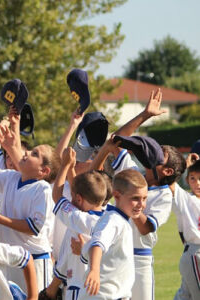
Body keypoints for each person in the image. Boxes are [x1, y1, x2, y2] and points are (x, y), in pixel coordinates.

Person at [91, 89, 186, 300]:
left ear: (167, 171)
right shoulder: (133, 173)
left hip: (139, 259)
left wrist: (131, 202)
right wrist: (145, 115)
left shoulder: (163, 195)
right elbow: (118, 140)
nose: (155, 153)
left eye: (161, 155)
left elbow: (144, 227)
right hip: (113, 255)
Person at [0, 108, 59, 292]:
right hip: (11, 258)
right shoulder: (11, 177)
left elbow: (33, 227)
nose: (27, 153)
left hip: (35, 260)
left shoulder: (42, 188)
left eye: (35, 154)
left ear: (44, 171)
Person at [42, 148, 107, 299]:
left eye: (71, 196)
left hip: (77, 288)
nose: (69, 199)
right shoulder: (110, 219)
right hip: (101, 289)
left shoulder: (79, 220)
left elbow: (57, 196)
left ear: (78, 199)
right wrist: (71, 168)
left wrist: (65, 165)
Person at [77, 169, 147, 299]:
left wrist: (84, 248)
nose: (141, 204)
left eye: (144, 198)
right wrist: (94, 270)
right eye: (135, 198)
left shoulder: (120, 220)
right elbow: (98, 245)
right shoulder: (113, 220)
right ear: (117, 196)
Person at [173, 155, 200, 299]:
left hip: (193, 255)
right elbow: (171, 184)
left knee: (185, 296)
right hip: (195, 254)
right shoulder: (186, 199)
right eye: (193, 179)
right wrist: (185, 168)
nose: (197, 183)